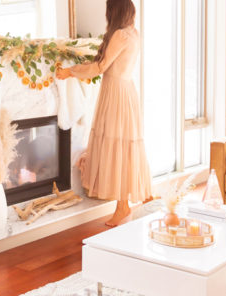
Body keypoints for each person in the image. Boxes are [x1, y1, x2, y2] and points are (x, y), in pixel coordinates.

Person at [56, 0, 152, 227]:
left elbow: (100, 67)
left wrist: (70, 72)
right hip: (126, 91)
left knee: (115, 144)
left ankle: (122, 207)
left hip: (115, 93)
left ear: (113, 11)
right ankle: (130, 201)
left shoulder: (120, 35)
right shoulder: (133, 33)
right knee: (124, 144)